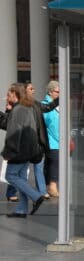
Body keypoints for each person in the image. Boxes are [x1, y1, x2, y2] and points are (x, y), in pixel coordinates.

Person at [2, 83, 45, 218]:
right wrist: (8, 110)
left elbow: (13, 133)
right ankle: (21, 209)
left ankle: (36, 196)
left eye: (9, 93)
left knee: (11, 176)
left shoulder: (18, 109)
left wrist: (8, 153)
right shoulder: (25, 107)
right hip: (28, 150)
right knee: (21, 178)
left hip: (20, 151)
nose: (7, 96)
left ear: (15, 94)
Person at [41, 81, 60, 197]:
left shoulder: (57, 104)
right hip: (52, 139)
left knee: (49, 163)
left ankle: (47, 186)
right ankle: (52, 187)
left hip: (55, 139)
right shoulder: (45, 104)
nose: (59, 94)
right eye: (57, 92)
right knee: (54, 162)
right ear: (50, 91)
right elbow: (51, 124)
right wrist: (60, 137)